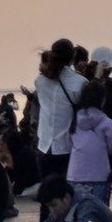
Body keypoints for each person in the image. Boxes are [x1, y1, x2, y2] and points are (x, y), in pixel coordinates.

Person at [35, 39, 88, 184]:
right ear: (72, 58)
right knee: (65, 194)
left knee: (47, 193)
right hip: (67, 146)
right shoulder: (80, 83)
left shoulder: (40, 81)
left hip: (44, 145)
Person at [66, 82, 112, 203]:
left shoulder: (74, 120)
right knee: (99, 214)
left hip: (75, 174)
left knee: (78, 213)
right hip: (100, 175)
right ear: (102, 100)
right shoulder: (107, 122)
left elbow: (69, 144)